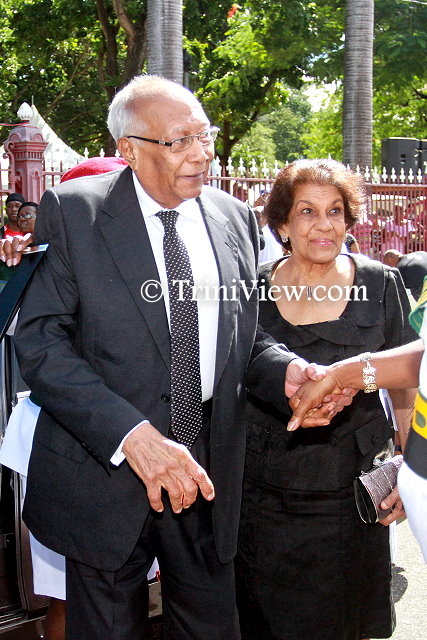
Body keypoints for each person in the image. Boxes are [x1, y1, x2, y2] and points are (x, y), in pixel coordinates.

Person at [13, 76, 340, 640]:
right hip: (107, 468)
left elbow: (243, 339)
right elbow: (42, 345)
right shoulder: (74, 212)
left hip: (208, 470)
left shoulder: (234, 218)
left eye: (204, 136)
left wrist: (285, 370)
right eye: (179, 141)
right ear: (130, 150)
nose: (201, 154)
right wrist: (132, 437)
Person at [235, 159, 418, 640]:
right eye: (307, 211)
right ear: (281, 225)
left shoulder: (380, 283)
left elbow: (406, 384)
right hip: (263, 499)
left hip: (350, 499)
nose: (324, 225)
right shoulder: (248, 288)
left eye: (335, 211)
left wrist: (409, 464)